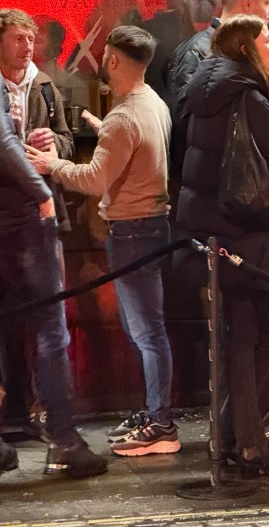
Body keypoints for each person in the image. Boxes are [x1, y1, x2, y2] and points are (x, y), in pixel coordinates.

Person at [175, 14, 269, 478]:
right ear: (245, 49)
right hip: (252, 232)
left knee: (241, 338)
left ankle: (238, 438)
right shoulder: (249, 95)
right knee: (268, 332)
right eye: (266, 41)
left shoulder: (206, 89)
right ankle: (247, 442)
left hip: (217, 230)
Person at [27, 26, 178, 457]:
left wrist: (52, 164)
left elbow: (94, 180)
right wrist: (101, 127)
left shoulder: (123, 117)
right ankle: (155, 413)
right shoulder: (152, 104)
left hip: (132, 231)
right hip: (152, 227)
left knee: (147, 333)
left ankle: (160, 422)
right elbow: (131, 146)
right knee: (146, 329)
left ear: (112, 60)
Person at [0, 90, 107, 479]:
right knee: (50, 327)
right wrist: (42, 193)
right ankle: (65, 442)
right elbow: (2, 139)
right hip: (19, 222)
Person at [0, 8, 75, 437]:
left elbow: (66, 140)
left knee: (51, 316)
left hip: (41, 216)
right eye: (17, 38)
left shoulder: (45, 87)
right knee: (10, 319)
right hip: (6, 215)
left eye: (30, 38)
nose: (27, 46)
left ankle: (52, 415)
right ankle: (16, 411)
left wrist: (53, 144)